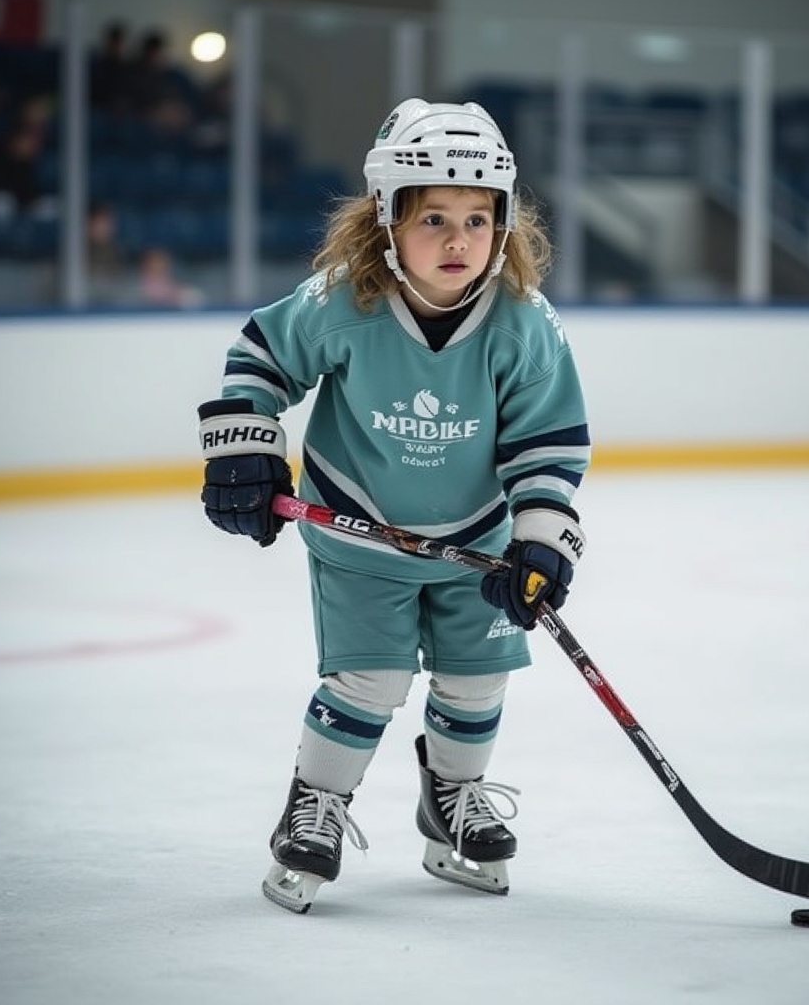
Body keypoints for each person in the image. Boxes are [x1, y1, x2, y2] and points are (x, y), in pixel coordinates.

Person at [197, 99, 590, 912]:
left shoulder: (523, 324)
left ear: (505, 224)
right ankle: (317, 806)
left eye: (479, 220)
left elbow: (548, 442)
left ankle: (452, 799)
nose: (458, 241)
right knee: (368, 680)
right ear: (385, 222)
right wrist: (244, 441)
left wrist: (543, 538)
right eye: (434, 218)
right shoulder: (345, 299)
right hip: (359, 535)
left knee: (476, 683)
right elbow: (261, 356)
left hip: (476, 545)